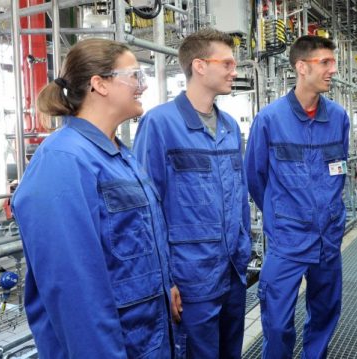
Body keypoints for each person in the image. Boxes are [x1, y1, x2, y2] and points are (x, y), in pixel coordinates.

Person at [11, 38, 173, 358]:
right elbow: (75, 293)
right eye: (134, 75)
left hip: (147, 339)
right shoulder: (62, 161)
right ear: (99, 84)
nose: (141, 85)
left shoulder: (120, 157)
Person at [133, 28, 251, 358]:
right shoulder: (160, 124)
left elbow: (239, 195)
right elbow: (145, 207)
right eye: (226, 63)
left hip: (233, 270)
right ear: (199, 66)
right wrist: (164, 279)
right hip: (190, 277)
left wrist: (244, 245)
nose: (234, 71)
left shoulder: (229, 126)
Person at [245, 35, 349, 358]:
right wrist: (282, 214)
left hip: (328, 240)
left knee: (325, 313)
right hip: (288, 241)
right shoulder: (270, 120)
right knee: (276, 323)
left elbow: (339, 170)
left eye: (333, 62)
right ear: (301, 67)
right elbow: (255, 178)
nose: (333, 70)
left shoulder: (339, 118)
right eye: (325, 63)